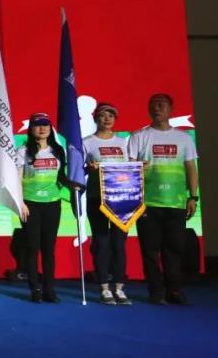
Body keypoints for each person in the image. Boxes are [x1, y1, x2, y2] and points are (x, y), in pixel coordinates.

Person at [128, 93, 199, 305]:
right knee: (150, 250)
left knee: (174, 249)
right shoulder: (138, 136)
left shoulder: (184, 138)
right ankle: (156, 291)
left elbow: (190, 168)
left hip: (176, 203)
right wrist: (137, 167)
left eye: (162, 104)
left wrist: (193, 197)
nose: (157, 108)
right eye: (153, 105)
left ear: (171, 109)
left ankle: (174, 290)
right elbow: (128, 167)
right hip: (147, 203)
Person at [16, 112, 69, 303]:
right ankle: (35, 288)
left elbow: (61, 177)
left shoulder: (58, 150)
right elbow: (17, 179)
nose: (42, 128)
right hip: (30, 204)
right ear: (31, 128)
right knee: (33, 247)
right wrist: (20, 203)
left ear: (50, 128)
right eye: (37, 125)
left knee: (48, 248)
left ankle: (49, 288)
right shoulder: (23, 151)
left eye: (45, 124)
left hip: (53, 204)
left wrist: (75, 184)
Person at [82, 102, 131, 305]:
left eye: (111, 115)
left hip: (121, 199)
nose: (107, 119)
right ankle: (104, 288)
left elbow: (130, 168)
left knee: (119, 244)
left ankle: (119, 288)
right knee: (101, 243)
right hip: (97, 198)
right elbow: (78, 170)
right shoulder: (87, 142)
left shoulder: (123, 142)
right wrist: (89, 168)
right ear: (96, 118)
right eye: (103, 115)